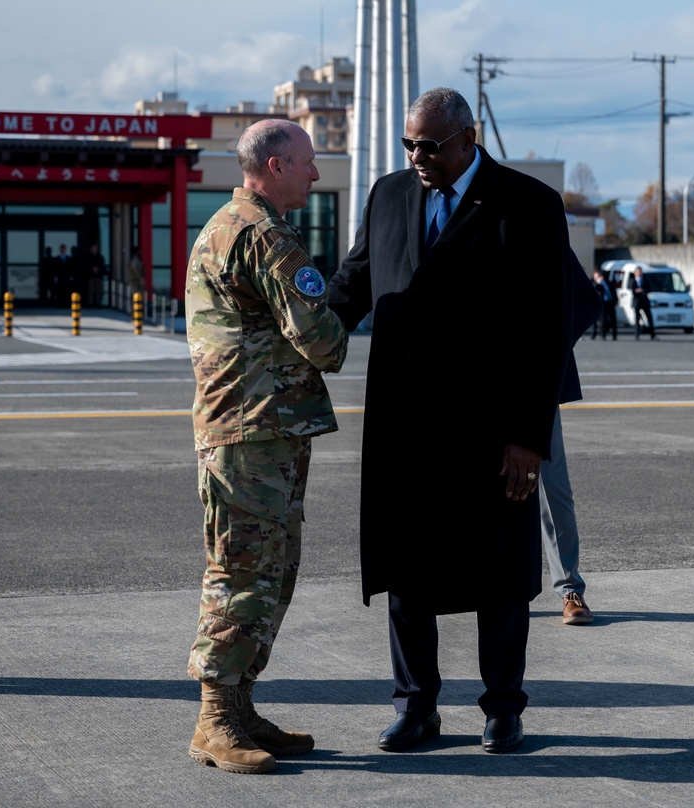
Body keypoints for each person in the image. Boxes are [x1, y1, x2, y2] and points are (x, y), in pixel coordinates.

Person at [328, 87, 578, 755]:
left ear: (470, 138)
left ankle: (503, 709)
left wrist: (529, 436)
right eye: (409, 144)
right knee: (407, 572)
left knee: (499, 574)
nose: (416, 156)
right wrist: (296, 332)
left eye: (429, 145)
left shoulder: (526, 205)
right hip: (405, 427)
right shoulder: (386, 197)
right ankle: (416, 708)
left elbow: (550, 328)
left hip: (492, 429)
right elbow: (352, 286)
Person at [183, 118, 348, 775]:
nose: (314, 173)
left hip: (258, 430)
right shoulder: (263, 234)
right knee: (243, 574)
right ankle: (215, 719)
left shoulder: (228, 224)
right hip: (251, 433)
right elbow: (324, 341)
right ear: (275, 166)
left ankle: (240, 707)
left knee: (269, 572)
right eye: (307, 162)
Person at [543, 252, 602, 627]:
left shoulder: (533, 213)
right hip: (465, 379)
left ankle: (569, 589)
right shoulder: (445, 214)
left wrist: (547, 351)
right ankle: (476, 586)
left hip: (531, 382)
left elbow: (587, 299)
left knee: (552, 489)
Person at [628, 266, 656, 340]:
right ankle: (637, 335)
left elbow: (648, 289)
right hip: (637, 302)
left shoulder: (645, 280)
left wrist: (642, 290)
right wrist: (638, 291)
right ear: (635, 273)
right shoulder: (633, 281)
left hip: (645, 301)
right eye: (638, 271)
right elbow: (633, 290)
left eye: (640, 271)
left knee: (649, 317)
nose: (639, 273)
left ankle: (652, 334)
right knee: (637, 319)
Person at [590, 268, 617, 340]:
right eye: (596, 277)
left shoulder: (607, 282)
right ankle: (602, 334)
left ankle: (614, 335)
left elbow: (613, 291)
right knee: (603, 320)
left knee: (613, 319)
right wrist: (598, 283)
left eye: (599, 276)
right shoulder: (594, 284)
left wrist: (615, 300)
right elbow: (595, 289)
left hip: (610, 302)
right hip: (602, 304)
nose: (598, 278)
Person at [85, 243, 106, 307]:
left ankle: (98, 304)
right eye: (93, 248)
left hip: (98, 276)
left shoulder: (100, 257)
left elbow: (103, 266)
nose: (94, 250)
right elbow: (86, 266)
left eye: (95, 248)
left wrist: (98, 269)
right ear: (91, 249)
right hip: (91, 276)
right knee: (91, 291)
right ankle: (91, 304)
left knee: (98, 291)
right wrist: (92, 269)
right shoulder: (88, 257)